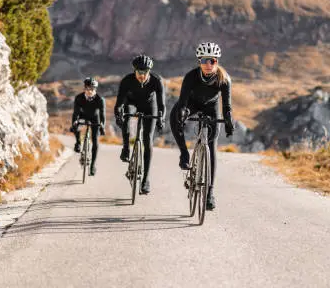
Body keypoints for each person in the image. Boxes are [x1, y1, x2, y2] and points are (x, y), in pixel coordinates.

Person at [170, 42, 234, 210]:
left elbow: (227, 107)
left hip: (211, 107)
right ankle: (184, 153)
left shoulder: (224, 79)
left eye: (212, 60)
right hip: (192, 103)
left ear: (216, 61)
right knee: (175, 114)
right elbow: (183, 102)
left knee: (212, 145)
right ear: (199, 61)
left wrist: (228, 121)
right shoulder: (191, 77)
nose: (208, 64)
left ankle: (210, 193)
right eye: (204, 60)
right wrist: (183, 115)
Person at [114, 54, 166, 194]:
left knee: (147, 139)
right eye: (139, 72)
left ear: (149, 71)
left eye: (145, 72)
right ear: (134, 71)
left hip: (150, 106)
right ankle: (126, 148)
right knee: (126, 114)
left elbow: (161, 105)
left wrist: (161, 118)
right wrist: (118, 115)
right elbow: (119, 103)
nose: (142, 75)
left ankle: (145, 180)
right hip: (132, 103)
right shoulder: (127, 81)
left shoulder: (156, 81)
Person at [71, 77, 106, 176]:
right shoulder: (79, 98)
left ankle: (92, 166)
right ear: (84, 89)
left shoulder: (100, 99)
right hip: (82, 116)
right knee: (76, 124)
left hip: (95, 118)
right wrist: (75, 122)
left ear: (95, 89)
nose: (89, 91)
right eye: (87, 89)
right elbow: (76, 113)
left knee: (95, 141)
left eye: (92, 89)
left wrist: (102, 125)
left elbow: (102, 114)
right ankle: (78, 142)